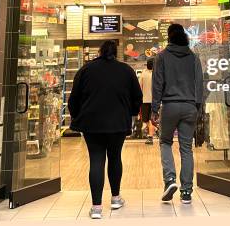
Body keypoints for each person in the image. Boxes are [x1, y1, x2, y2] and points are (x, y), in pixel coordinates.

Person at [68, 40, 143, 219]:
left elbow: (74, 99)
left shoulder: (86, 70)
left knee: (96, 160)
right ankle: (116, 198)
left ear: (100, 52)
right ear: (116, 52)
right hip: (118, 123)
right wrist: (130, 113)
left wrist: (78, 117)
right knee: (115, 157)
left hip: (91, 123)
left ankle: (96, 208)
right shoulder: (126, 70)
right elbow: (137, 97)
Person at [151, 23, 203, 204]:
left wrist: (154, 109)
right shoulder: (194, 58)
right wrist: (198, 107)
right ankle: (187, 192)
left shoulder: (162, 57)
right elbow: (200, 84)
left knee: (165, 142)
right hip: (190, 107)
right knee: (186, 148)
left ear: (169, 37)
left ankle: (170, 180)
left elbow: (157, 84)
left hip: (170, 106)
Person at [139, 58, 155, 145]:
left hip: (145, 100)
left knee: (146, 120)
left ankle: (150, 137)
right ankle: (154, 131)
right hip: (155, 101)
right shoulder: (156, 74)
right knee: (150, 120)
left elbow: (139, 86)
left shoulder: (143, 73)